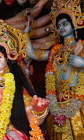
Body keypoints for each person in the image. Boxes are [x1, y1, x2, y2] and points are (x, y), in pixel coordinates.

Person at [25, 0, 84, 139]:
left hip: (79, 102)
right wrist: (26, 33)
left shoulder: (81, 47)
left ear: (74, 23)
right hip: (57, 105)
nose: (61, 27)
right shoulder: (54, 52)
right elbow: (32, 54)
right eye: (58, 25)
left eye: (65, 24)